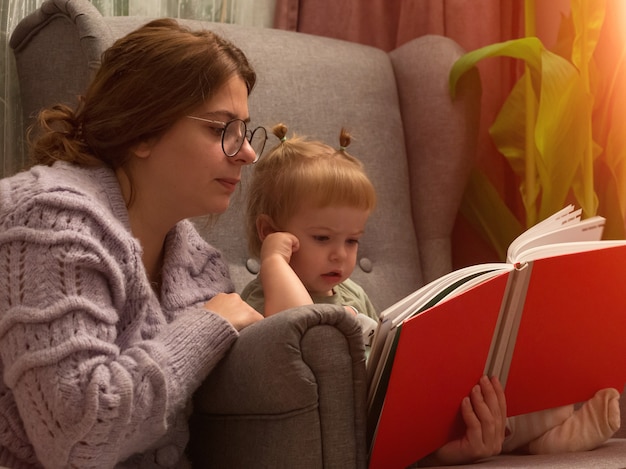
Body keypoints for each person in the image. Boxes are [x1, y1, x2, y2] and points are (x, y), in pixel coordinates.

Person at [0, 19, 265, 468]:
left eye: (244, 131)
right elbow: (76, 440)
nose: (247, 153)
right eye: (222, 129)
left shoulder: (200, 266)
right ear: (143, 129)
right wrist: (206, 326)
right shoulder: (49, 221)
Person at [241, 123, 508, 466]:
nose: (340, 254)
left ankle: (545, 427)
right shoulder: (265, 294)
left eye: (352, 240)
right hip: (332, 434)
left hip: (382, 421)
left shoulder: (352, 293)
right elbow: (299, 327)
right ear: (270, 232)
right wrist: (274, 261)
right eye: (322, 238)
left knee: (480, 397)